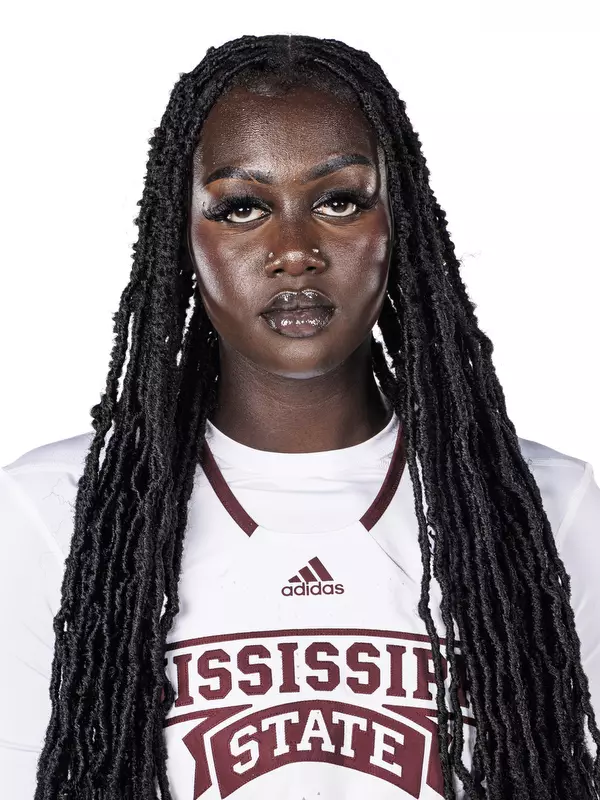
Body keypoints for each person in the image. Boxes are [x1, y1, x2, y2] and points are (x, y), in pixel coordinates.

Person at [0, 32, 599, 800]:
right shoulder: (53, 514)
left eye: (339, 201)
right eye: (242, 207)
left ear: (399, 227)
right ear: (182, 239)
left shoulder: (546, 509)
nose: (293, 250)